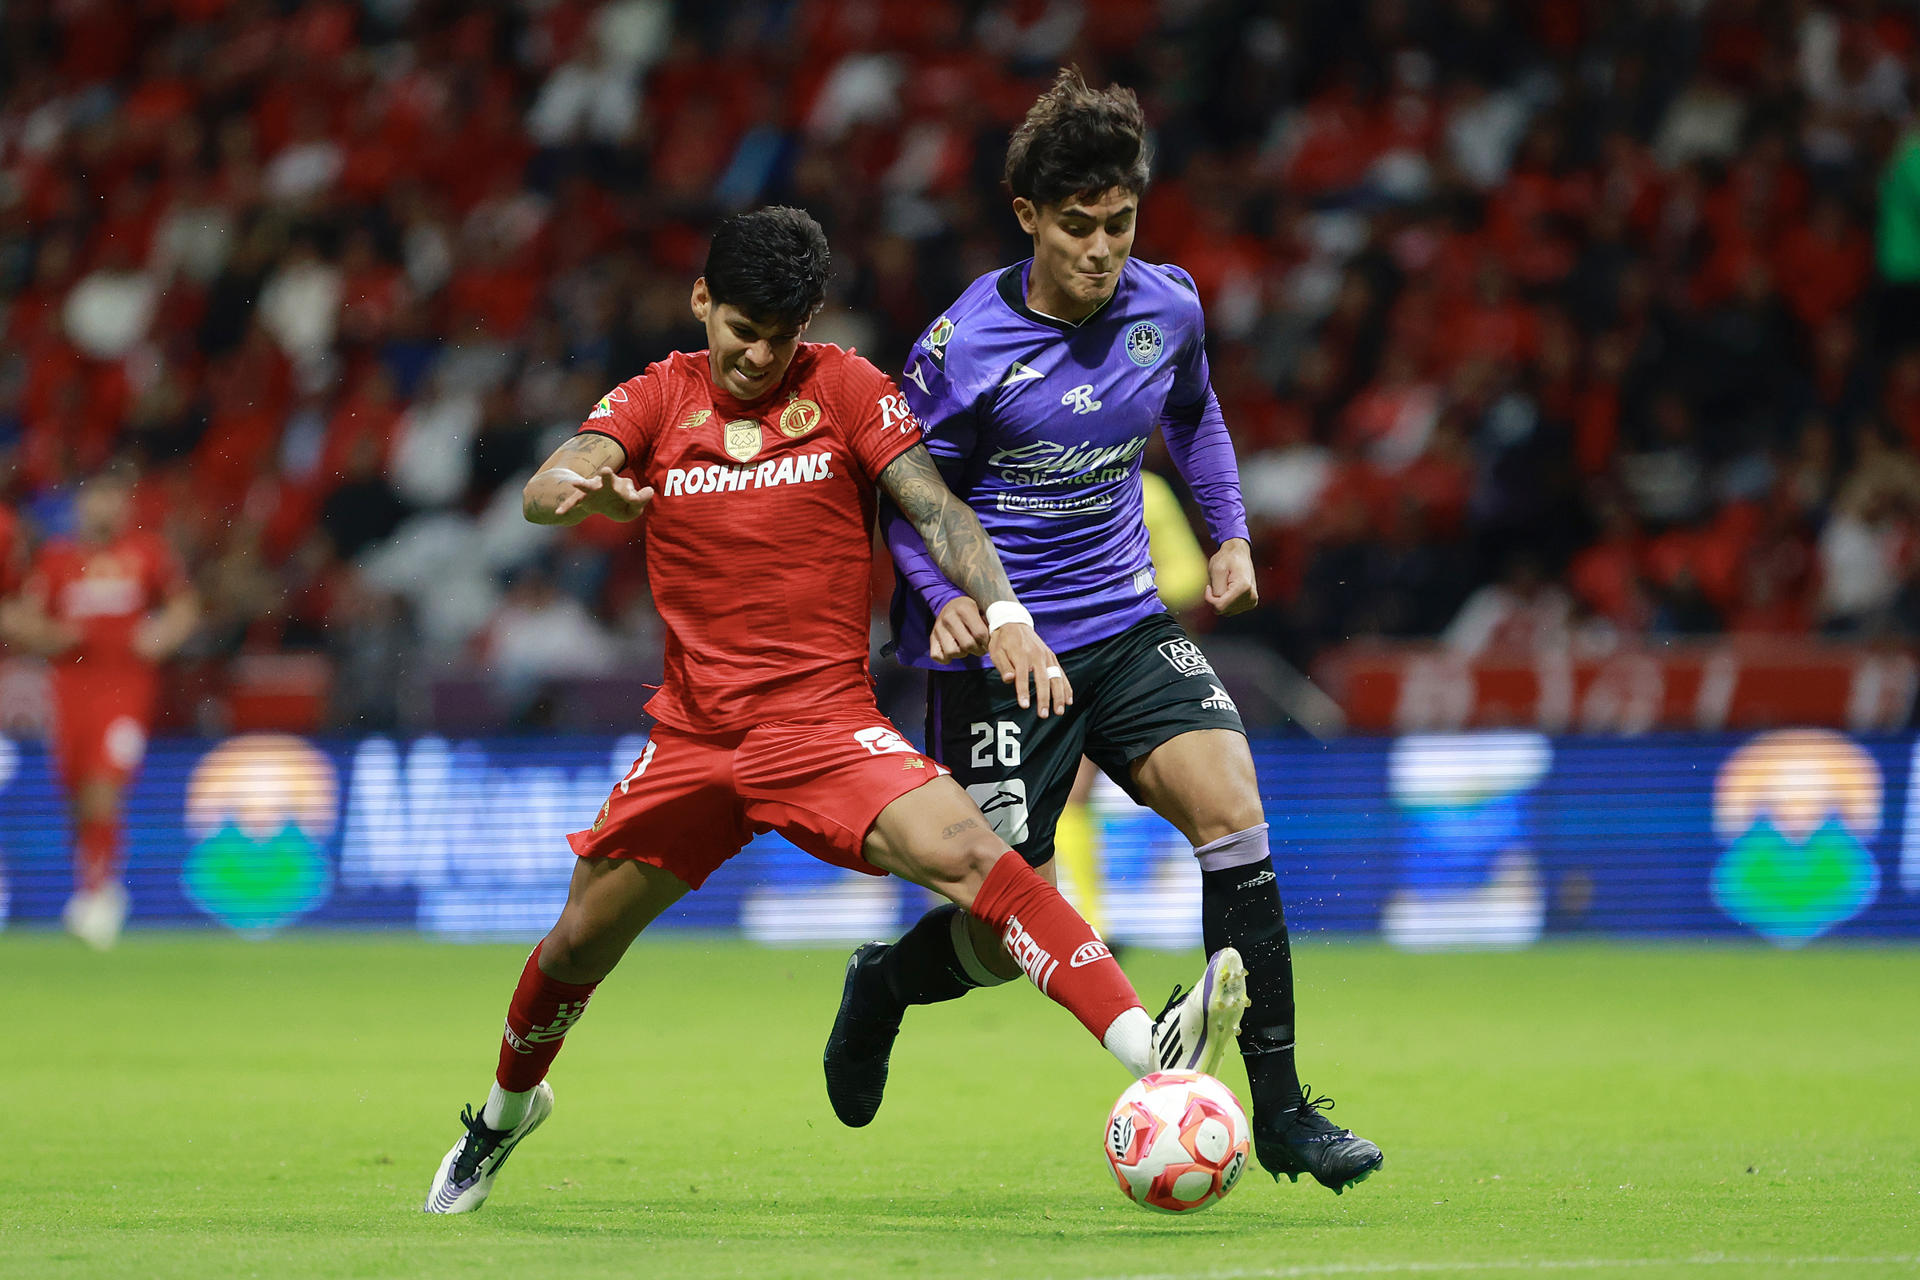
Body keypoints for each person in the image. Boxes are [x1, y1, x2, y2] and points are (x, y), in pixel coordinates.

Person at [423, 207, 1249, 1215]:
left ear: (808, 323)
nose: (758, 355)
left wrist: (1000, 611)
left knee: (980, 862)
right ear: (702, 304)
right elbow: (548, 483)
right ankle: (504, 1116)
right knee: (574, 948)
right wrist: (585, 491)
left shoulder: (852, 389)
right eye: (740, 329)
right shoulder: (655, 394)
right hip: (693, 738)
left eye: (781, 333)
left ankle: (1149, 1056)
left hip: (823, 728)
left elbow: (937, 508)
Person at [822, 70, 1383, 1193]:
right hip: (1002, 658)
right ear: (1025, 214)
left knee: (1233, 806)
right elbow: (916, 506)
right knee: (999, 928)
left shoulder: (1166, 307)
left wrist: (1229, 533)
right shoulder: (961, 349)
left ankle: (1279, 1108)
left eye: (1120, 223)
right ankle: (884, 981)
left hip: (1124, 623)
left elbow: (1194, 410)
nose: (1101, 249)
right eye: (1077, 226)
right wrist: (951, 606)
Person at [1, 463, 198, 949]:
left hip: (125, 686)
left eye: (112, 498)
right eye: (94, 497)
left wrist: (161, 637)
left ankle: (102, 896)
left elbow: (184, 605)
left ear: (124, 506)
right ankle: (89, 884)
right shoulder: (56, 560)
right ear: (80, 506)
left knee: (103, 786)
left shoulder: (147, 554)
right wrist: (51, 635)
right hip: (70, 689)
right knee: (75, 795)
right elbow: (21, 619)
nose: (103, 507)